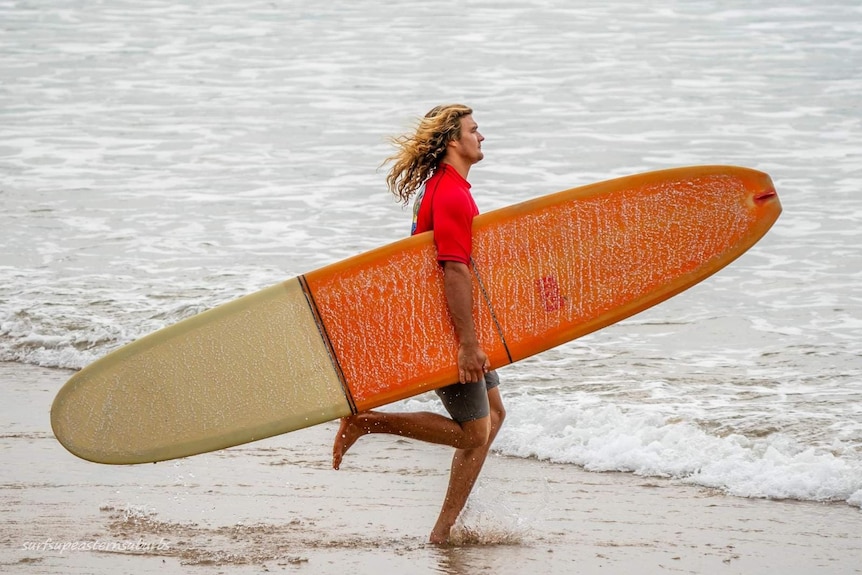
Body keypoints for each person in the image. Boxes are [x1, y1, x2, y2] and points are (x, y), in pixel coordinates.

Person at [331, 104, 506, 545]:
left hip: (449, 320)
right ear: (453, 140)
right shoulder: (449, 194)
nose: (481, 137)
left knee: (495, 414)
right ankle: (366, 424)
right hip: (445, 328)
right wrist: (467, 344)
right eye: (474, 130)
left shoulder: (446, 188)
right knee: (473, 431)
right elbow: (453, 269)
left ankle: (445, 525)